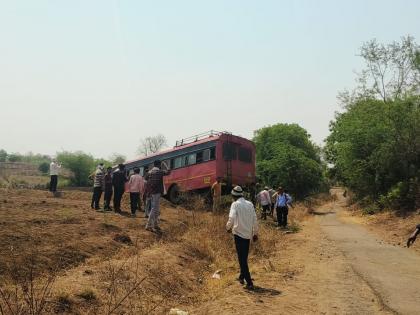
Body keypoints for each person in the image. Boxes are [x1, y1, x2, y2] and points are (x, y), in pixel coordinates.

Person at [226, 186, 258, 290]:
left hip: (238, 235)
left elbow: (231, 218)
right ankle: (241, 276)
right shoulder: (250, 204)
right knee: (244, 257)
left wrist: (227, 227)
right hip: (247, 235)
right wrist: (255, 233)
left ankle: (249, 282)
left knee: (242, 259)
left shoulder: (235, 204)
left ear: (234, 196)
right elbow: (255, 219)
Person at [145, 160, 170, 232]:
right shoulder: (160, 172)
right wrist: (165, 165)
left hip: (151, 192)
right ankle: (148, 225)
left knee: (156, 209)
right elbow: (168, 172)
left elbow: (145, 179)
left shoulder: (149, 172)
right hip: (157, 192)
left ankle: (155, 225)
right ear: (159, 165)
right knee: (154, 208)